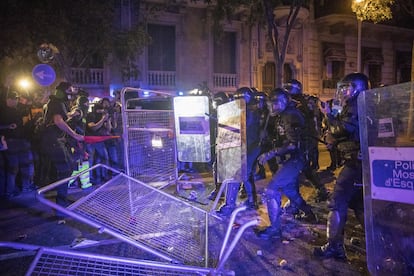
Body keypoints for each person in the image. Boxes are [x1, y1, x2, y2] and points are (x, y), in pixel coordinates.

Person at [313, 72, 370, 260]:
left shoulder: (356, 106)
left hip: (356, 164)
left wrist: (328, 115)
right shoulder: (356, 105)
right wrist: (336, 144)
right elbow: (351, 136)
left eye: (347, 88)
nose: (343, 92)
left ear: (357, 88)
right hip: (359, 162)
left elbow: (341, 130)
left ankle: (334, 247)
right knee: (358, 204)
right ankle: (378, 242)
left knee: (336, 203)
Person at [255, 88, 318, 239]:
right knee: (290, 190)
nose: (271, 107)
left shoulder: (290, 115)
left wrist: (271, 153)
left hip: (295, 158)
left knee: (271, 191)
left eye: (274, 103)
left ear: (282, 102)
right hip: (293, 159)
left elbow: (292, 144)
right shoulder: (284, 114)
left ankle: (275, 229)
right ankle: (309, 214)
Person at [40, 82, 84, 220]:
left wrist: (71, 115)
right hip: (53, 140)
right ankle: (60, 207)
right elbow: (58, 121)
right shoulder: (57, 102)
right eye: (70, 90)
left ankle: (61, 200)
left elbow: (59, 118)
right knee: (65, 169)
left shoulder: (55, 102)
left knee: (67, 168)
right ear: (64, 91)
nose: (72, 92)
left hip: (53, 140)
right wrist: (74, 135)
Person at [217, 87, 262, 215]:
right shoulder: (241, 111)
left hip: (250, 147)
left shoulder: (250, 113)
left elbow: (240, 128)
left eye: (240, 98)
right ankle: (252, 202)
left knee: (237, 174)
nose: (237, 101)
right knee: (246, 175)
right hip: (243, 147)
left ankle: (229, 205)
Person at [284, 79, 328, 202]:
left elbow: (306, 122)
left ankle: (295, 200)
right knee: (303, 168)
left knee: (298, 168)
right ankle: (320, 189)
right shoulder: (291, 102)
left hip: (303, 139)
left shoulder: (301, 103)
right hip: (295, 139)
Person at [0, 90, 36, 199]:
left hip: (21, 141)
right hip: (12, 142)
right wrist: (7, 127)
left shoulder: (17, 110)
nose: (16, 101)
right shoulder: (3, 111)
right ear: (8, 100)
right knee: (13, 168)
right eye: (14, 99)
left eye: (16, 99)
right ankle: (10, 191)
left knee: (25, 166)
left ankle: (24, 187)